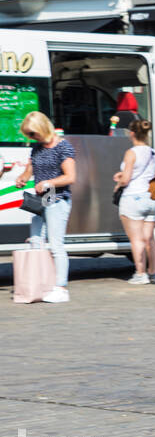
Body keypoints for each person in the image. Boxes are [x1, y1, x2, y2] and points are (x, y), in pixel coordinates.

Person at [10, 112, 76, 303]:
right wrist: (23, 177)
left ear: (42, 128)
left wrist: (48, 183)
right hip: (42, 199)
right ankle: (41, 282)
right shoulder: (38, 147)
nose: (31, 138)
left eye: (33, 134)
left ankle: (61, 288)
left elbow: (70, 177)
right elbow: (31, 168)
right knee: (36, 242)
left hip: (57, 197)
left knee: (56, 245)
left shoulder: (63, 147)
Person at [112, 119, 155, 284]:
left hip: (133, 197)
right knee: (150, 239)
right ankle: (154, 273)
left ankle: (140, 274)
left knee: (136, 239)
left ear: (131, 133)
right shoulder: (153, 152)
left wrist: (118, 182)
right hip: (150, 197)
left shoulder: (131, 153)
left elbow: (126, 179)